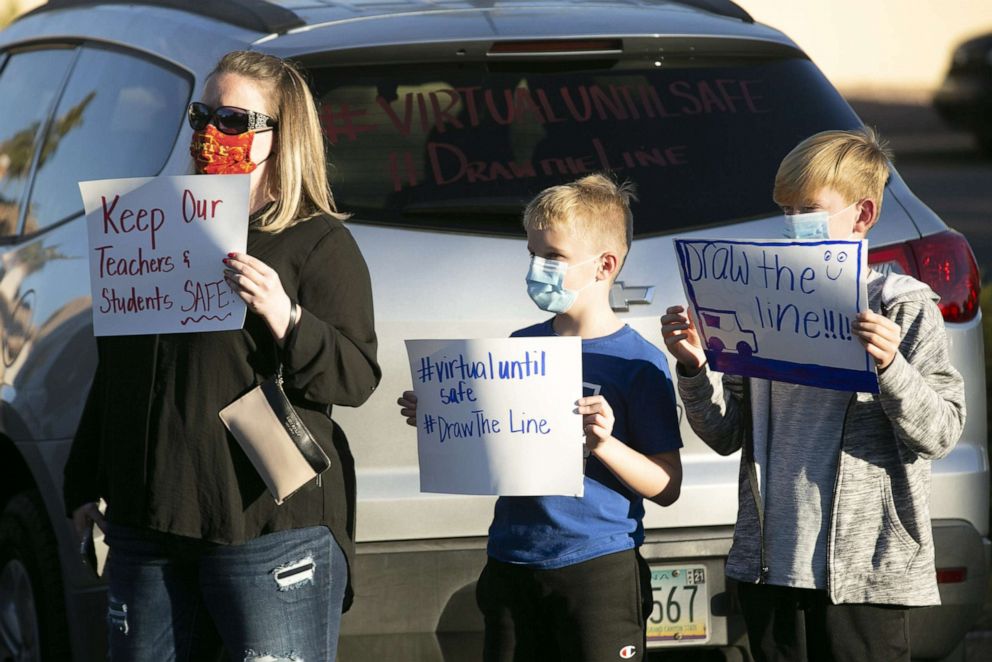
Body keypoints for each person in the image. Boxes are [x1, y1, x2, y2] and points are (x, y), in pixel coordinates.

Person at [64, 51, 380, 661]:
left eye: (234, 120)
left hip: (263, 524)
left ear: (280, 139)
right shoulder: (148, 225)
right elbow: (119, 373)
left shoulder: (316, 241)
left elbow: (357, 374)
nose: (212, 133)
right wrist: (85, 479)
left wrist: (285, 316)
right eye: (202, 114)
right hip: (148, 520)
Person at [660, 127, 965, 662]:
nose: (794, 221)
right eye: (786, 209)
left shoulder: (901, 306)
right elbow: (728, 435)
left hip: (864, 576)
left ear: (863, 215)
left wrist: (890, 365)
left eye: (810, 208)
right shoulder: (758, 298)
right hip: (771, 567)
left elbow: (939, 432)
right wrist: (691, 369)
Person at [398, 173, 683, 661]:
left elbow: (667, 485)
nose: (537, 268)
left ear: (604, 266)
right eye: (532, 255)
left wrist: (605, 444)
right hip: (513, 559)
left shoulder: (638, 363)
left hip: (597, 567)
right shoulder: (521, 345)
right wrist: (442, 414)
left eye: (552, 258)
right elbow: (500, 445)